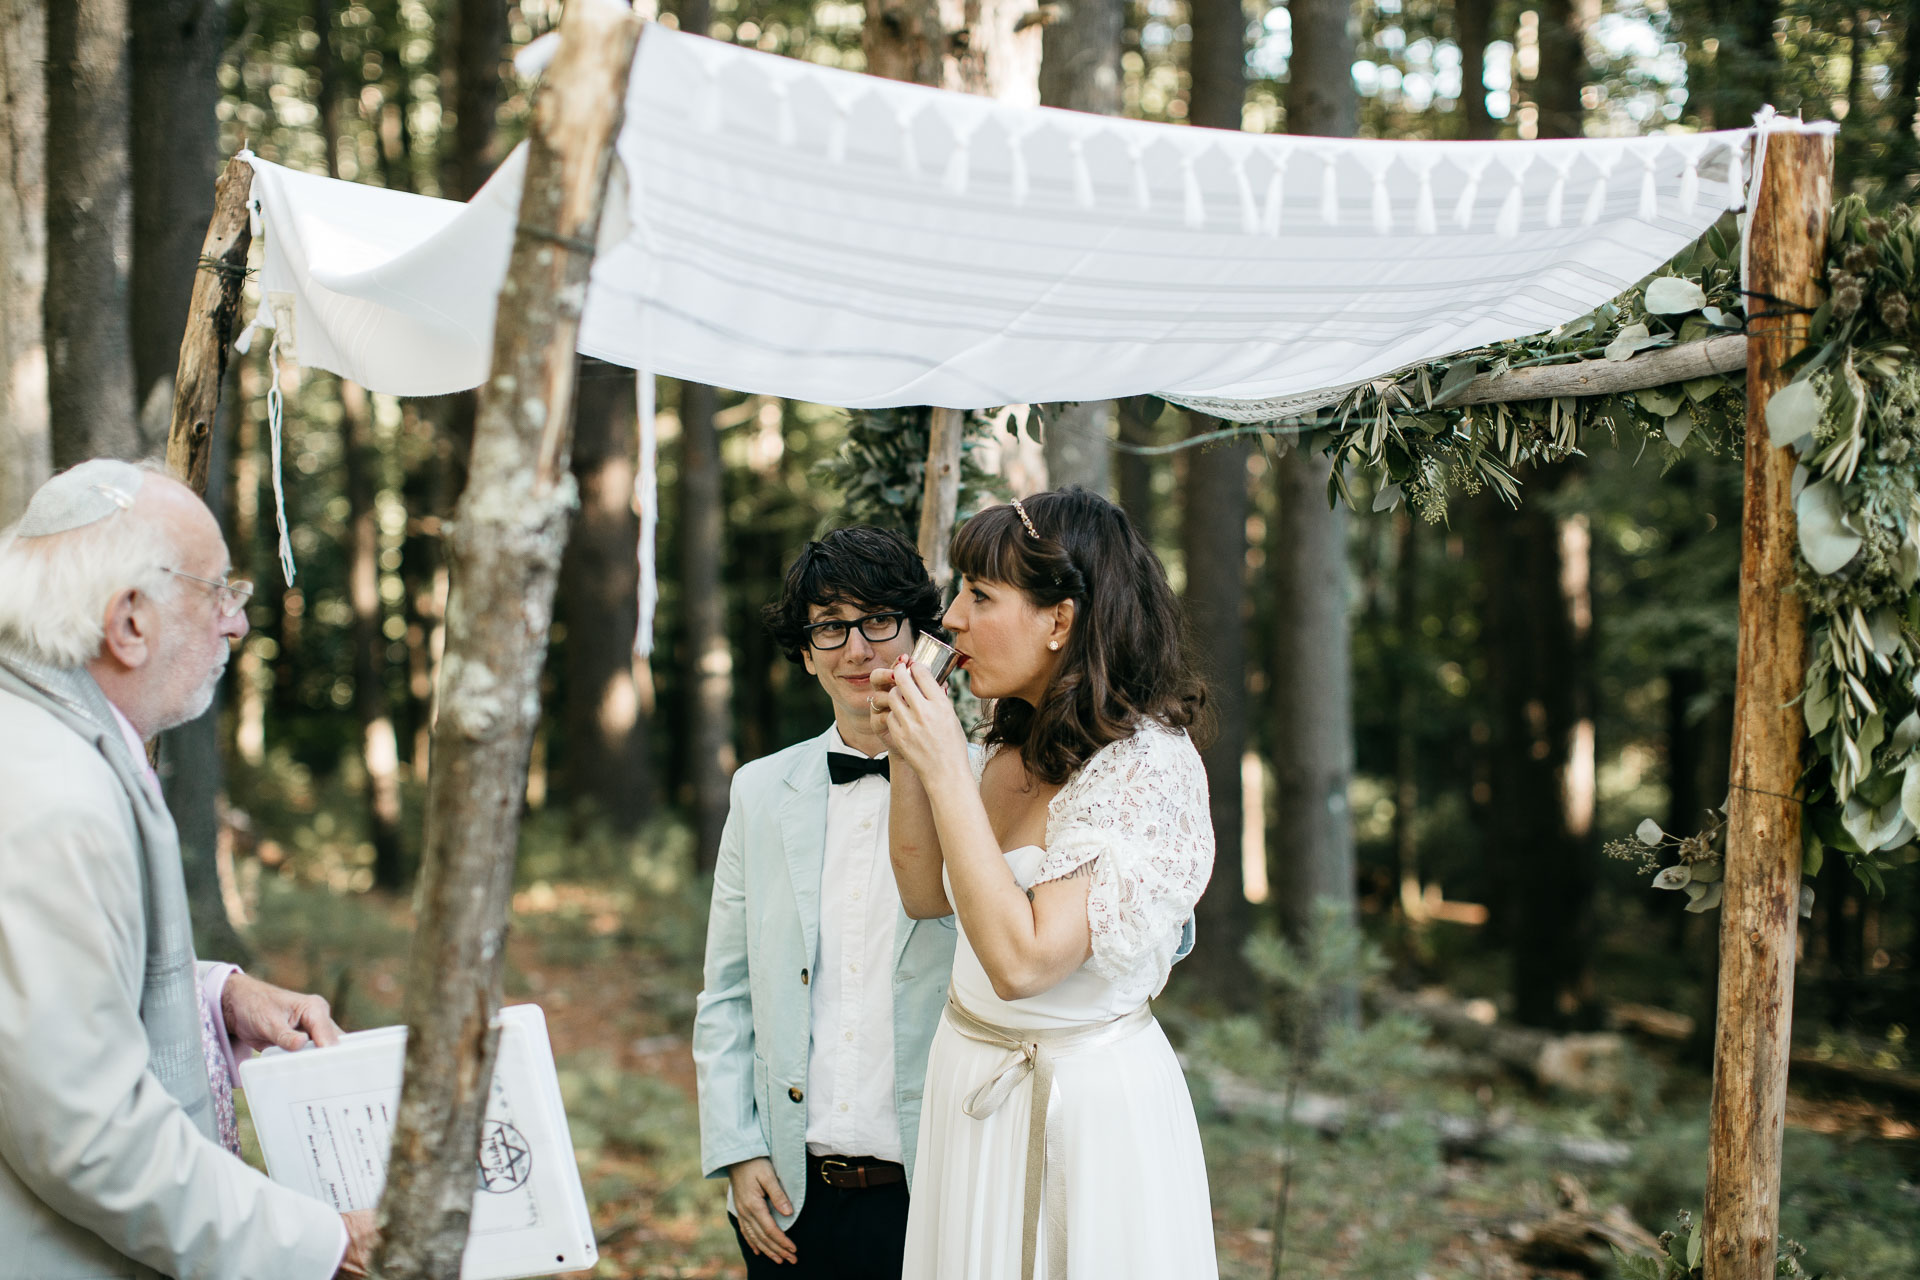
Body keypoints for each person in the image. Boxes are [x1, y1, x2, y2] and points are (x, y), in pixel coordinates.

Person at [0, 460, 376, 1279]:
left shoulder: (41, 738)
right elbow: (86, 1133)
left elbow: (36, 993)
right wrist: (324, 1239)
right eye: (219, 597)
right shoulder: (51, 795)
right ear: (129, 622)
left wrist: (213, 998)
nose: (236, 628)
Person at [872, 487, 1219, 1280]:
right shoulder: (1011, 745)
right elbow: (926, 893)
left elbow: (1023, 963)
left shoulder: (1145, 769)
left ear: (1060, 620)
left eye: (980, 595)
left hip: (1078, 1113)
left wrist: (943, 770)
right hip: (970, 1087)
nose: (950, 618)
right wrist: (909, 749)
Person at [692, 526, 962, 1279]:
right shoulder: (758, 791)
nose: (857, 650)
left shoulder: (986, 785)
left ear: (918, 633)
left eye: (878, 620)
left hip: (938, 1187)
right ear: (806, 651)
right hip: (788, 1195)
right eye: (830, 627)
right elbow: (728, 992)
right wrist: (737, 1150)